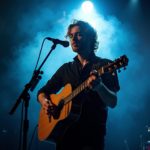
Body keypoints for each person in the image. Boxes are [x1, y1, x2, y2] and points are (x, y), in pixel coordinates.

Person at [37, 20, 120, 150]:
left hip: (91, 138)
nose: (73, 39)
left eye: (79, 34)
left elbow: (113, 102)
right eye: (71, 36)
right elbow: (42, 92)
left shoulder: (105, 65)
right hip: (64, 138)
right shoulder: (66, 68)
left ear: (90, 38)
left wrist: (99, 87)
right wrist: (45, 102)